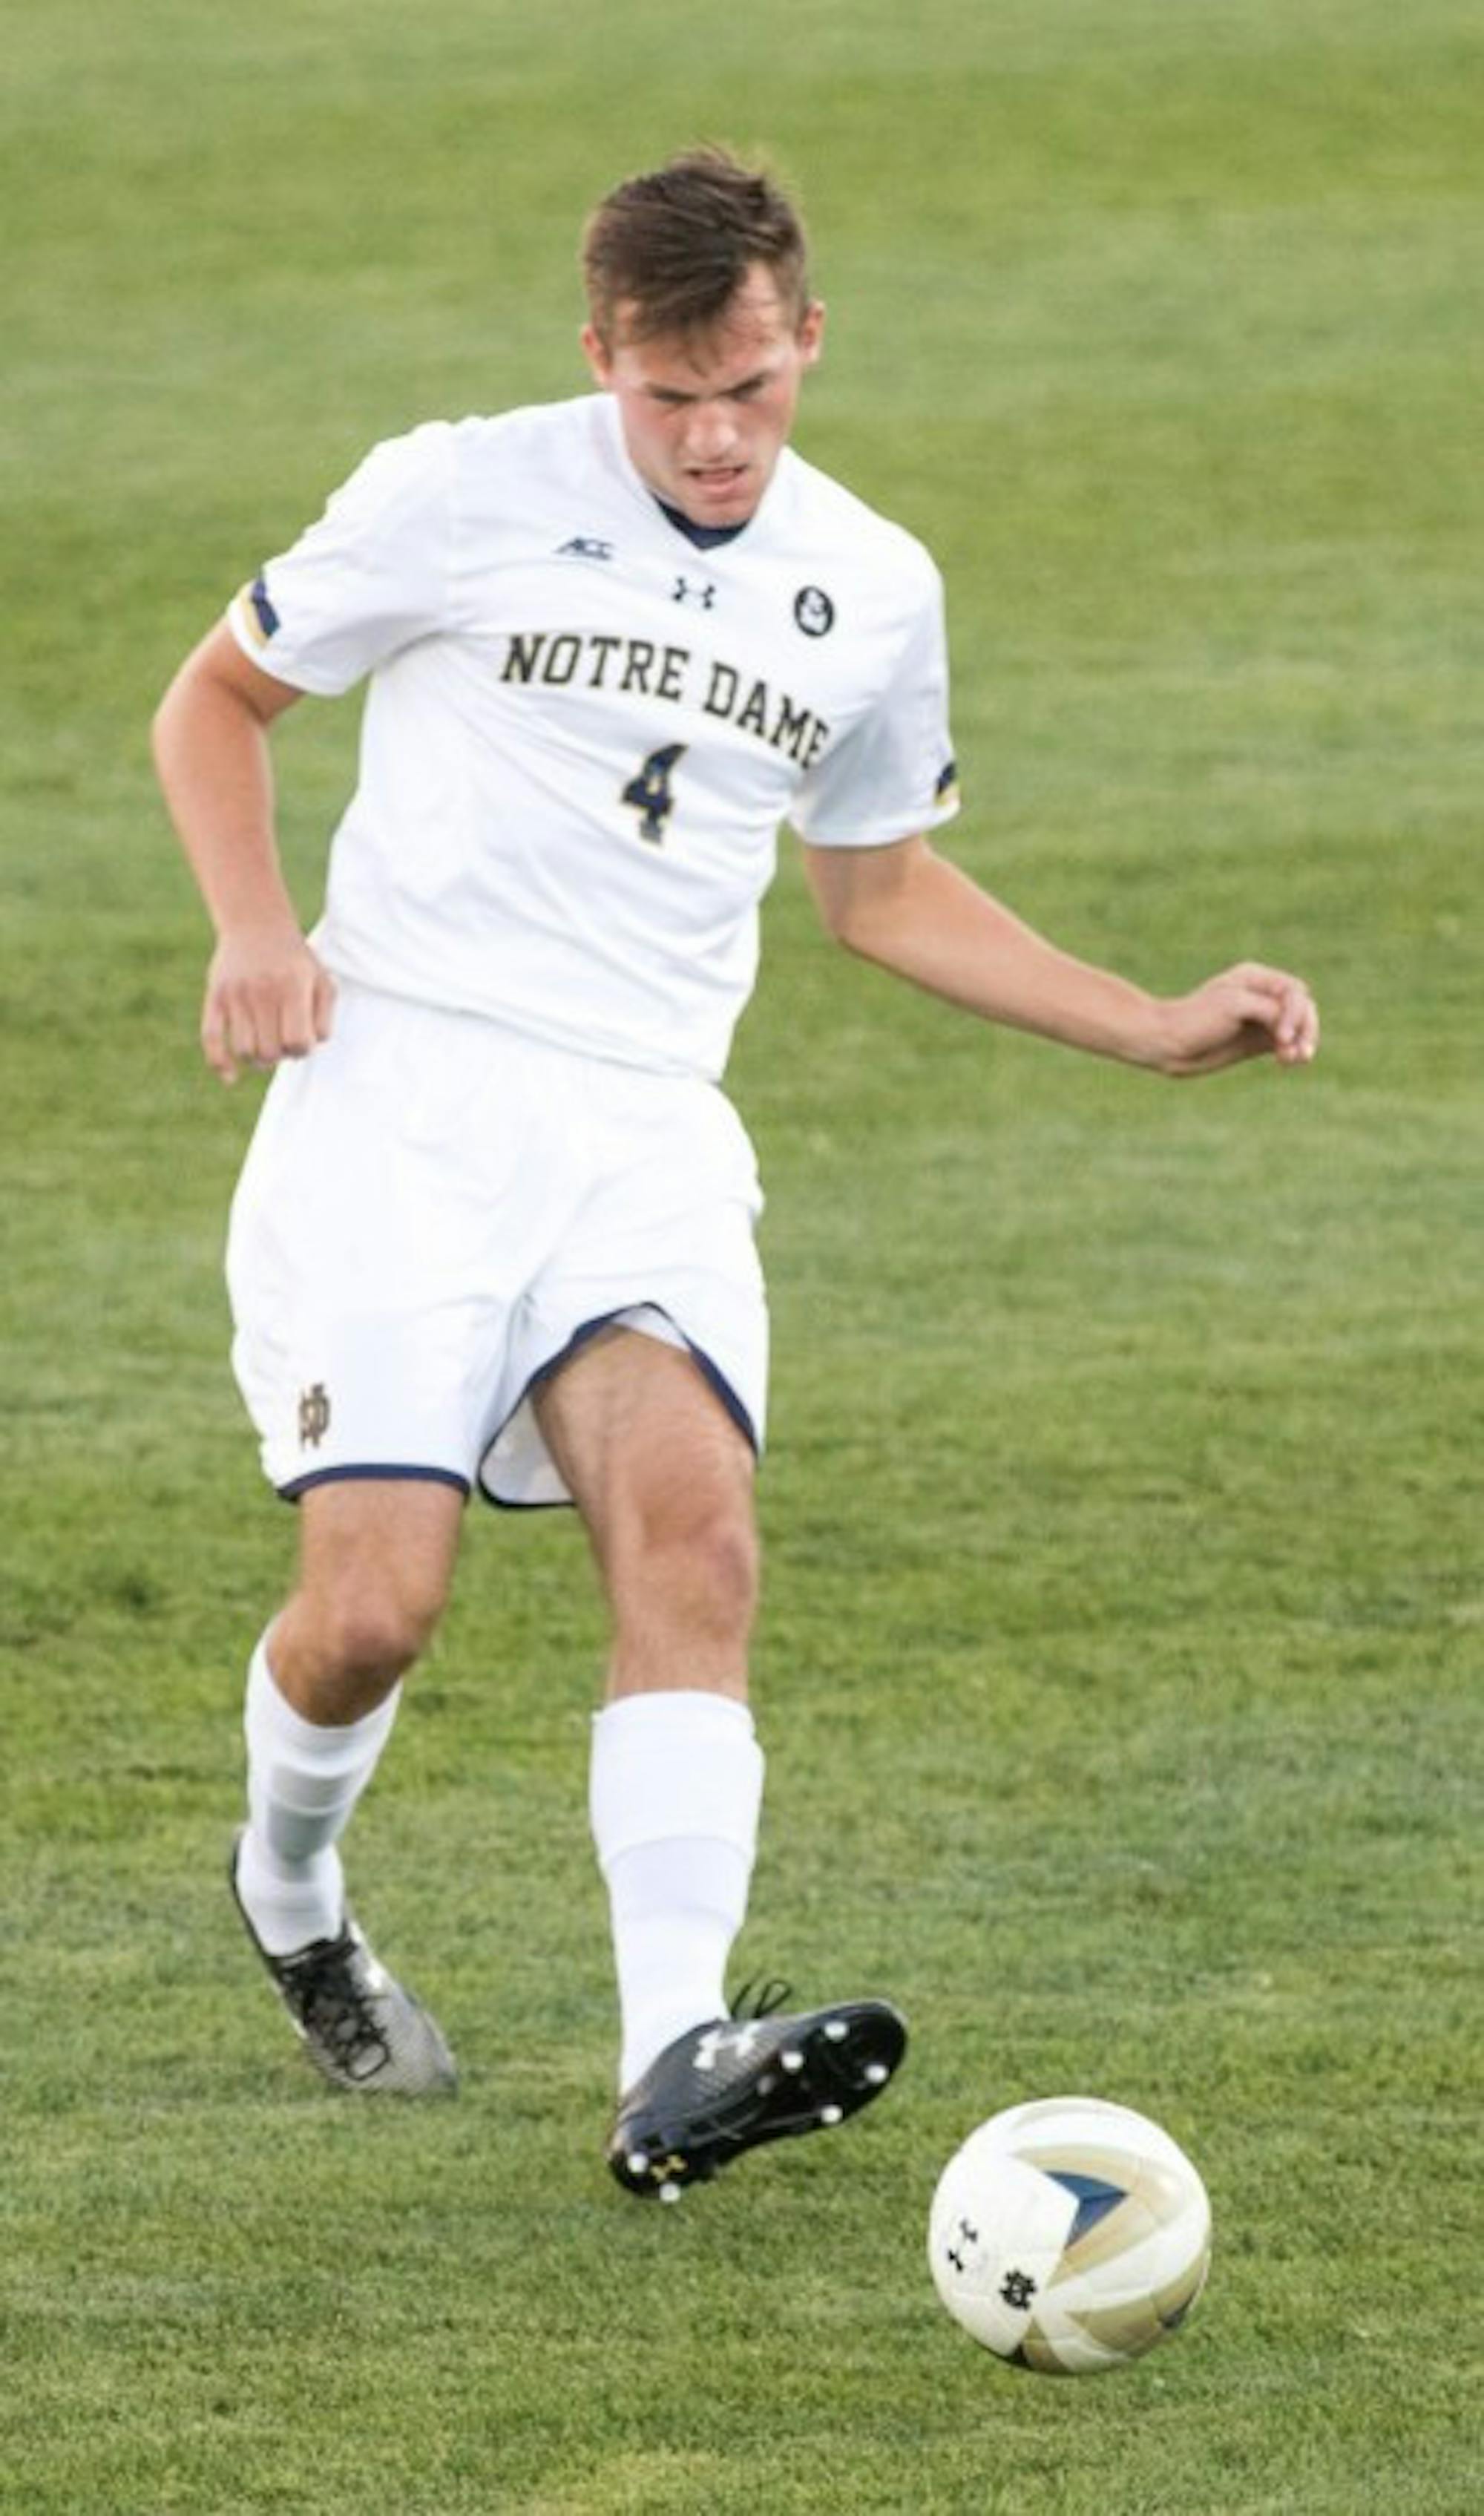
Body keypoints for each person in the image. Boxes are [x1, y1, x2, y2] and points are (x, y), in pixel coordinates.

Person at [152, 146, 1318, 2202]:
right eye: (668, 395)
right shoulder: (461, 485)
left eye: (751, 394)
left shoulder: (876, 583)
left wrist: (1146, 1019)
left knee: (697, 1540)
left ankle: (667, 2058)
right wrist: (256, 926)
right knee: (374, 1613)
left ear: (809, 347)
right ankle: (292, 1887)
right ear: (598, 351)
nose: (710, 439)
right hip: (402, 1093)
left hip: (644, 1127)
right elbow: (218, 700)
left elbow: (875, 887)